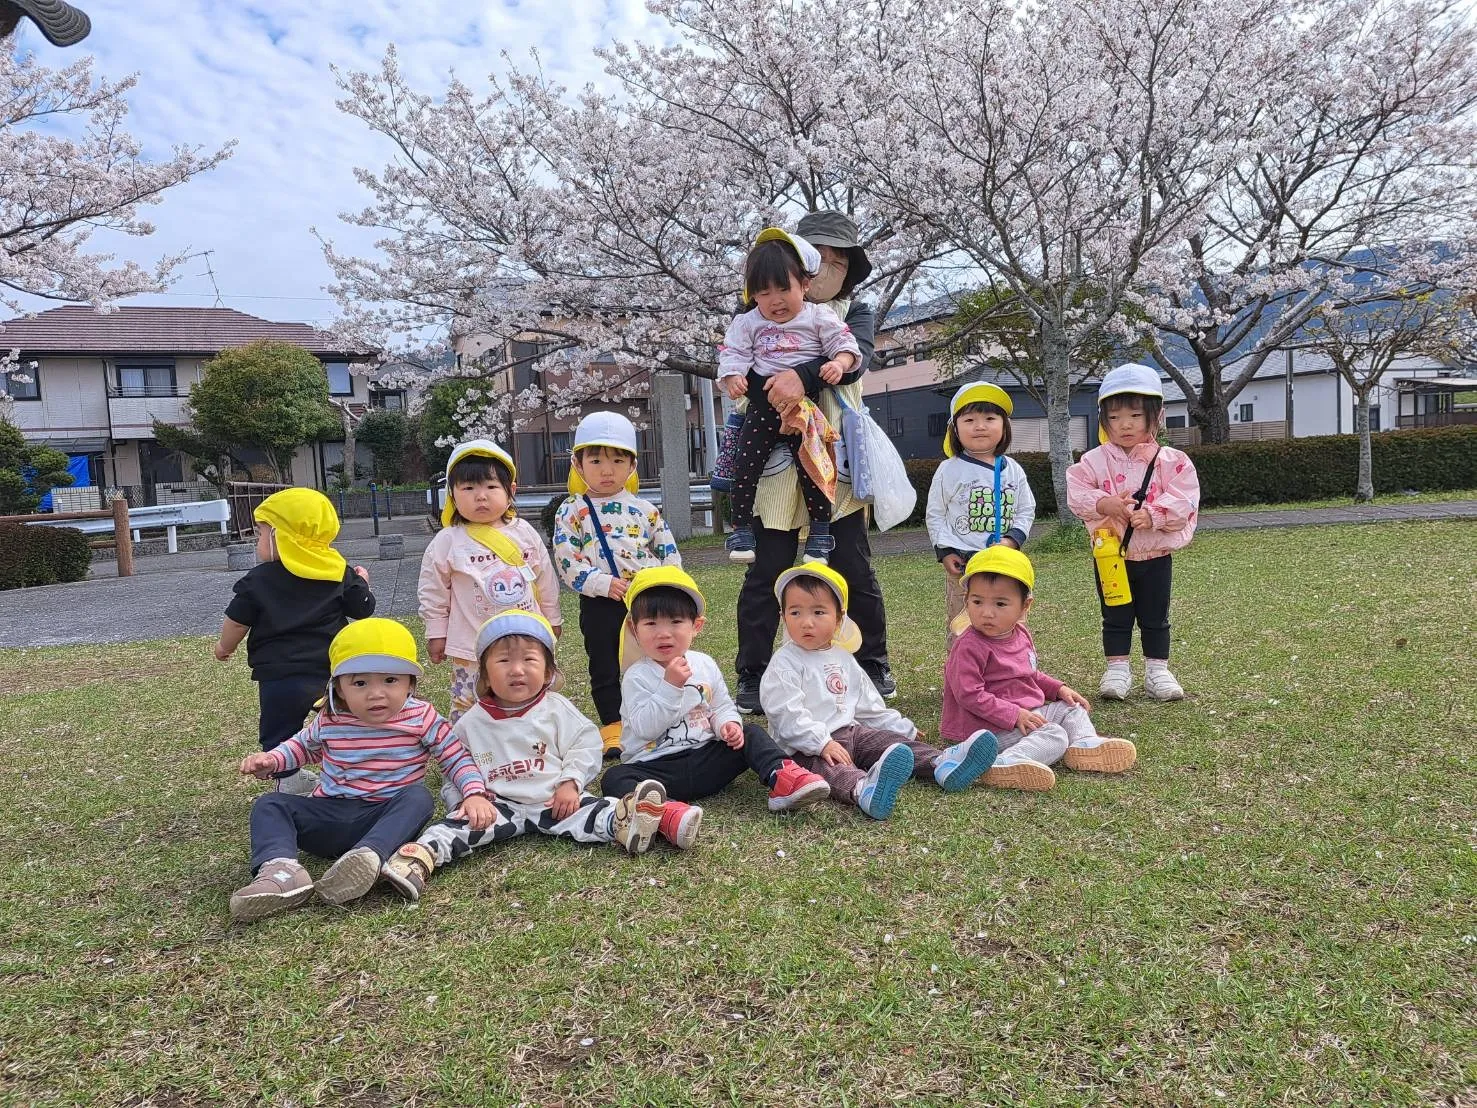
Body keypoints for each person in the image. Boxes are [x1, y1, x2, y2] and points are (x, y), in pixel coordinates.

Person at [381, 612, 669, 901]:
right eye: (504, 661)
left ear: (547, 672)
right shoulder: (471, 723)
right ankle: (417, 859)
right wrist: (468, 800)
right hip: (496, 807)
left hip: (554, 799)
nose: (517, 670)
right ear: (485, 674)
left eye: (529, 660)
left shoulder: (556, 708)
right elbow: (455, 768)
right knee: (452, 828)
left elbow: (585, 743)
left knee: (596, 810)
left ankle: (632, 822)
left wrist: (570, 782)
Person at [732, 210, 894, 712]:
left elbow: (855, 362)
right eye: (817, 257)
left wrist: (802, 377)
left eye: (836, 261)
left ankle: (871, 662)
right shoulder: (761, 315)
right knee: (767, 570)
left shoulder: (852, 313)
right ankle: (753, 672)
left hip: (835, 460)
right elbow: (745, 374)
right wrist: (774, 392)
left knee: (852, 565)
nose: (825, 270)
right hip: (776, 457)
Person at [229, 618, 488, 922]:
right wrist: (271, 760)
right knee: (270, 804)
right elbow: (300, 747)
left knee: (418, 797)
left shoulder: (422, 717)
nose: (376, 694)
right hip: (329, 813)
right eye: (360, 683)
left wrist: (474, 794)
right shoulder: (330, 719)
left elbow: (455, 756)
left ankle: (367, 858)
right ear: (337, 687)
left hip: (386, 818)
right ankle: (281, 872)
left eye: (390, 680)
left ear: (410, 684)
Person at [601, 566, 831, 844]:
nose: (664, 634)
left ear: (696, 626)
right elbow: (645, 728)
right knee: (614, 778)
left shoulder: (704, 665)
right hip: (658, 767)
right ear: (633, 629)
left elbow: (721, 706)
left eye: (675, 622)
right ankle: (668, 814)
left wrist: (727, 725)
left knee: (751, 732)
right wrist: (670, 687)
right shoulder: (637, 676)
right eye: (651, 623)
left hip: (705, 759)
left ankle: (784, 779)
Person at [762, 563, 998, 820]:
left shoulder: (843, 657)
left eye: (818, 612)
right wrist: (821, 743)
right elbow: (786, 714)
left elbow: (869, 706)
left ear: (839, 618)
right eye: (795, 613)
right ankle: (864, 789)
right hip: (804, 746)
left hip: (850, 732)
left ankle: (941, 764)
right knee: (830, 768)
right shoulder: (784, 662)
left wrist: (902, 728)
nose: (806, 622)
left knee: (891, 744)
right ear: (783, 616)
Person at [215, 487, 375, 796]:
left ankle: (288, 779)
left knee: (280, 728)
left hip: (279, 676)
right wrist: (362, 583)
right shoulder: (336, 571)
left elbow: (237, 620)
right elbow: (363, 609)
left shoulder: (258, 580)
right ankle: (356, 768)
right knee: (343, 722)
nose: (256, 542)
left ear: (279, 536)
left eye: (260, 533)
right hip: (329, 672)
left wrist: (225, 647)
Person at [941, 547, 1138, 791]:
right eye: (977, 601)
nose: (987, 613)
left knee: (1071, 708)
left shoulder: (1020, 633)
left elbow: (1029, 673)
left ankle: (1084, 745)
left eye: (1000, 603)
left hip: (1023, 714)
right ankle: (1006, 762)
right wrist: (1015, 714)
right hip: (984, 730)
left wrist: (1058, 688)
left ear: (1025, 606)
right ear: (966, 599)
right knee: (1054, 735)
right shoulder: (969, 646)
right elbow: (969, 694)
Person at [719, 227, 862, 565]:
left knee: (812, 466)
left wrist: (839, 364)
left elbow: (845, 346)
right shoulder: (748, 322)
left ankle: (820, 532)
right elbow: (732, 353)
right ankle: (740, 528)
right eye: (763, 292)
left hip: (805, 409)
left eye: (784, 289)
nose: (775, 300)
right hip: (765, 409)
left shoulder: (819, 316)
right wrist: (733, 376)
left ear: (805, 285)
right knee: (745, 464)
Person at [1066, 363, 1201, 701]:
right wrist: (1105, 503)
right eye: (1114, 417)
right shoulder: (1093, 461)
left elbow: (1185, 498)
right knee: (1115, 615)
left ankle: (1158, 672)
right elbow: (1076, 492)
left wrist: (1153, 515)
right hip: (1111, 556)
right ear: (1103, 420)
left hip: (1156, 556)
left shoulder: (1173, 461)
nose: (1124, 424)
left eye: (1135, 415)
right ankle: (1117, 671)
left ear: (1155, 416)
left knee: (1156, 616)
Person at [552, 411, 682, 759]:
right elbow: (567, 558)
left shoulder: (644, 509)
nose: (606, 470)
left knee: (654, 658)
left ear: (632, 465)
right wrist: (598, 583)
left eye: (617, 460)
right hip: (601, 602)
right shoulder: (572, 510)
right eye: (595, 460)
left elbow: (668, 550)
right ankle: (613, 725)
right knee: (605, 662)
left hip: (645, 600)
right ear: (578, 464)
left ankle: (658, 719)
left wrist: (667, 585)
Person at [418, 439, 562, 723]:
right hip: (470, 644)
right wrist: (436, 632)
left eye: (491, 487)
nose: (480, 496)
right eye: (468, 488)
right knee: (469, 701)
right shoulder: (448, 540)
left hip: (524, 638)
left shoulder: (524, 532)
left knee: (526, 695)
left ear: (511, 492)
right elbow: (433, 590)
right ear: (452, 496)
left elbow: (545, 577)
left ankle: (527, 744)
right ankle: (465, 754)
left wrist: (552, 617)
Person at [926, 381, 1037, 640]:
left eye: (990, 418)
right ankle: (963, 675)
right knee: (962, 625)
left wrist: (1013, 539)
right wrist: (945, 550)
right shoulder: (949, 469)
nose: (980, 426)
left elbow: (1026, 508)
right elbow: (936, 513)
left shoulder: (1013, 469)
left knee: (1008, 622)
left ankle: (1009, 670)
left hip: (1005, 563)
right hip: (964, 564)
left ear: (1004, 426)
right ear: (955, 429)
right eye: (969, 419)